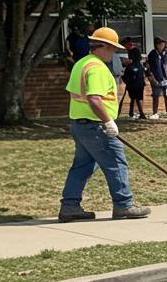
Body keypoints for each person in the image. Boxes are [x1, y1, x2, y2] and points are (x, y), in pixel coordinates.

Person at [58, 26, 150, 221]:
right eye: (113, 49)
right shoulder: (97, 68)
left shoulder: (81, 63)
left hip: (80, 125)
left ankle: (69, 206)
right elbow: (94, 99)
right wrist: (108, 122)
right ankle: (124, 205)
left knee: (82, 166)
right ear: (105, 47)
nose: (114, 53)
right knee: (116, 162)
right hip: (96, 126)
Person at [122, 47, 147, 120]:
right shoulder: (140, 65)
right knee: (137, 98)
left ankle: (134, 113)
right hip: (139, 84)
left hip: (132, 85)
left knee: (134, 98)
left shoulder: (130, 66)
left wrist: (126, 81)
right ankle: (138, 113)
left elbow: (125, 76)